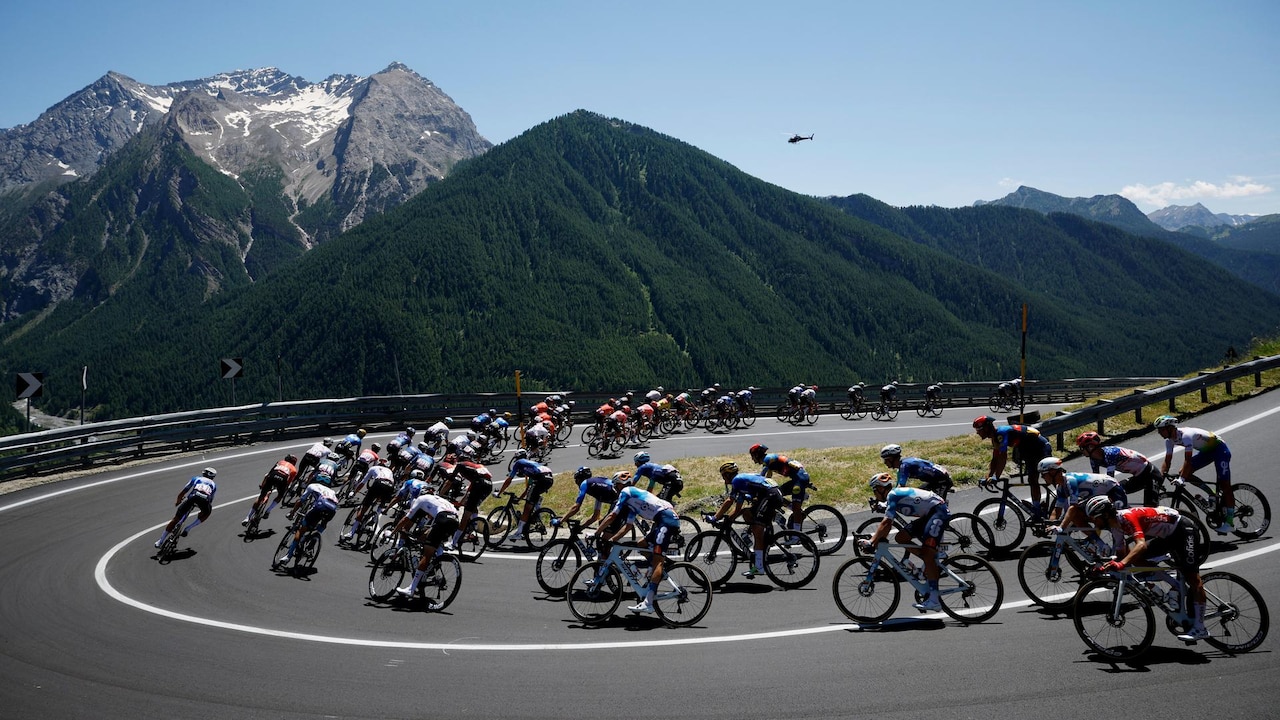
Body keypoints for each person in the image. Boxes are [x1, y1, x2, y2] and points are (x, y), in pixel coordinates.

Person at [1083, 496, 1209, 642]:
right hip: (1167, 535)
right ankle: (1175, 584)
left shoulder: (1127, 517)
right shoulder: (1115, 526)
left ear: (1105, 515)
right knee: (1135, 558)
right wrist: (1105, 567)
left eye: (1094, 518)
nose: (1093, 522)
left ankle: (1200, 628)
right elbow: (1121, 554)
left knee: (1193, 578)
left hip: (1184, 530)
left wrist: (1122, 564)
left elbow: (1141, 545)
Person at [860, 471, 949, 611]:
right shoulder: (893, 496)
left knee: (928, 555)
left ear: (881, 488)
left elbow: (886, 523)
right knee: (901, 538)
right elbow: (887, 523)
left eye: (875, 490)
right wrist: (876, 539)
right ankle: (928, 561)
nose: (875, 494)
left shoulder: (893, 495)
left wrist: (872, 541)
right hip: (930, 513)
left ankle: (934, 600)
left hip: (938, 512)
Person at [591, 478, 681, 615]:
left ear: (620, 485)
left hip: (666, 520)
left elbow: (612, 515)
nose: (615, 490)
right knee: (641, 544)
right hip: (663, 519)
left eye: (616, 486)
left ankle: (648, 603)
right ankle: (657, 573)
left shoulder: (626, 492)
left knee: (658, 561)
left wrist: (596, 533)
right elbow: (628, 527)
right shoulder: (633, 503)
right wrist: (613, 540)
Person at [1155, 415, 1235, 534]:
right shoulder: (1169, 441)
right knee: (1183, 473)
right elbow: (1167, 461)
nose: (1160, 433)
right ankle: (1212, 494)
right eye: (1158, 430)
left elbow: (1188, 459)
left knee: (1225, 485)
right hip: (1206, 452)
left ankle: (1230, 523)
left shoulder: (1186, 436)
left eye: (1161, 429)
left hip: (1220, 450)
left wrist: (1182, 479)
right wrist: (1159, 481)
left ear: (1171, 428)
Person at [709, 461, 785, 579]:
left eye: (723, 475)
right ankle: (766, 531)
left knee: (757, 530)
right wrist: (728, 520)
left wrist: (715, 517)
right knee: (746, 512)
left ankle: (759, 567)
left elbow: (729, 501)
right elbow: (737, 508)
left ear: (728, 475)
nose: (723, 479)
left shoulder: (736, 481)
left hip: (770, 496)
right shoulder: (741, 482)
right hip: (772, 493)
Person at [973, 414, 1053, 519]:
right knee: (1032, 480)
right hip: (1028, 450)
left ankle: (1062, 495)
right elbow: (995, 459)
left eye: (979, 429)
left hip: (1041, 447)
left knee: (1047, 477)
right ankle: (1037, 509)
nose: (977, 432)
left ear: (987, 427)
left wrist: (996, 477)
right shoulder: (995, 438)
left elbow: (1003, 457)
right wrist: (988, 476)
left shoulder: (1001, 433)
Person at [391, 492, 461, 604]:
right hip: (454, 520)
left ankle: (411, 588)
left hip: (443, 518)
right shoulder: (437, 500)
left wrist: (393, 532)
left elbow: (406, 519)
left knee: (427, 554)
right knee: (433, 541)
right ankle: (436, 563)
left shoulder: (419, 500)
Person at [1037, 456, 1127, 528]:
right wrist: (1048, 526)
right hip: (1099, 496)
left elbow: (1073, 506)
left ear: (1053, 472)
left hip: (1113, 490)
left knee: (1119, 526)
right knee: (1076, 516)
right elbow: (1057, 510)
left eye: (1043, 474)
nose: (1042, 477)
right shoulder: (1060, 487)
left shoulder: (1070, 481)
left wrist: (1061, 527)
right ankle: (1095, 543)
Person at [1076, 432, 1162, 507]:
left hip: (1151, 474)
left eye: (1082, 448)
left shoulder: (1110, 454)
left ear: (1090, 447)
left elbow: (1109, 479)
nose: (1081, 451)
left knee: (1150, 508)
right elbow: (1096, 478)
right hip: (1139, 476)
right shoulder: (1093, 459)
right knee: (1115, 492)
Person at [555, 467, 626, 550]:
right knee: (601, 524)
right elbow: (595, 516)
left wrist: (560, 521)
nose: (576, 483)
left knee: (604, 537)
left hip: (620, 501)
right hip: (620, 501)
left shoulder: (585, 483)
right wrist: (581, 528)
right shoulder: (598, 491)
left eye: (576, 480)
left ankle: (607, 556)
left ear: (578, 479)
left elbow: (576, 507)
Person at [277, 472, 339, 565]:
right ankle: (312, 542)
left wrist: (292, 513)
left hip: (320, 506)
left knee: (301, 530)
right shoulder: (332, 491)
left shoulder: (313, 486)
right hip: (332, 509)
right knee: (322, 524)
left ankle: (288, 556)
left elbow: (301, 501)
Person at [748, 443, 812, 532]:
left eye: (752, 456)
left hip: (800, 479)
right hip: (798, 478)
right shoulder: (769, 459)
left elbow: (761, 476)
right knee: (778, 494)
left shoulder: (767, 459)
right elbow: (768, 477)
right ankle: (794, 506)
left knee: (796, 509)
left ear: (756, 454)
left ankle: (796, 535)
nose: (752, 459)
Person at [496, 449, 555, 542]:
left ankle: (519, 533)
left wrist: (499, 492)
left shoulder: (519, 463)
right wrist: (520, 498)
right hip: (549, 478)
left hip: (541, 478)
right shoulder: (531, 465)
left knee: (527, 508)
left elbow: (509, 480)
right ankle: (537, 514)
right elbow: (529, 488)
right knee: (532, 499)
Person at [437, 458, 495, 550]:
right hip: (489, 485)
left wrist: (440, 495)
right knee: (472, 506)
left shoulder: (459, 465)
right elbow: (470, 491)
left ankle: (453, 543)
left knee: (465, 515)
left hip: (479, 484)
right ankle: (473, 526)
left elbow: (449, 483)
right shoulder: (475, 468)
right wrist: (461, 502)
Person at [155, 467, 217, 548]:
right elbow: (210, 500)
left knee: (175, 519)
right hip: (204, 501)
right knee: (207, 513)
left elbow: (184, 491)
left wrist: (178, 501)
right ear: (213, 477)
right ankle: (188, 528)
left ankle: (160, 541)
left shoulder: (196, 478)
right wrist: (203, 512)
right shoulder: (214, 485)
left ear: (203, 473)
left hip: (192, 498)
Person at [341, 458, 396, 544]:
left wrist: (354, 492)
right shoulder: (389, 471)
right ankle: (375, 518)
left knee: (363, 509)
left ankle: (351, 533)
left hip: (379, 483)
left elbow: (363, 482)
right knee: (380, 502)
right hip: (390, 486)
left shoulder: (373, 468)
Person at [244, 454, 297, 525]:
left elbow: (268, 474)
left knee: (261, 497)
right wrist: (283, 490)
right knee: (280, 496)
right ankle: (268, 510)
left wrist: (262, 485)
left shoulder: (280, 462)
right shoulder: (293, 469)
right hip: (282, 478)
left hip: (273, 476)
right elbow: (288, 482)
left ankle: (247, 518)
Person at [879, 444, 953, 495]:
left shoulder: (905, 465)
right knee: (918, 498)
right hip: (933, 481)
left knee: (938, 506)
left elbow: (901, 487)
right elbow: (897, 488)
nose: (885, 462)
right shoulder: (901, 468)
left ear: (892, 459)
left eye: (886, 460)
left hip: (942, 481)